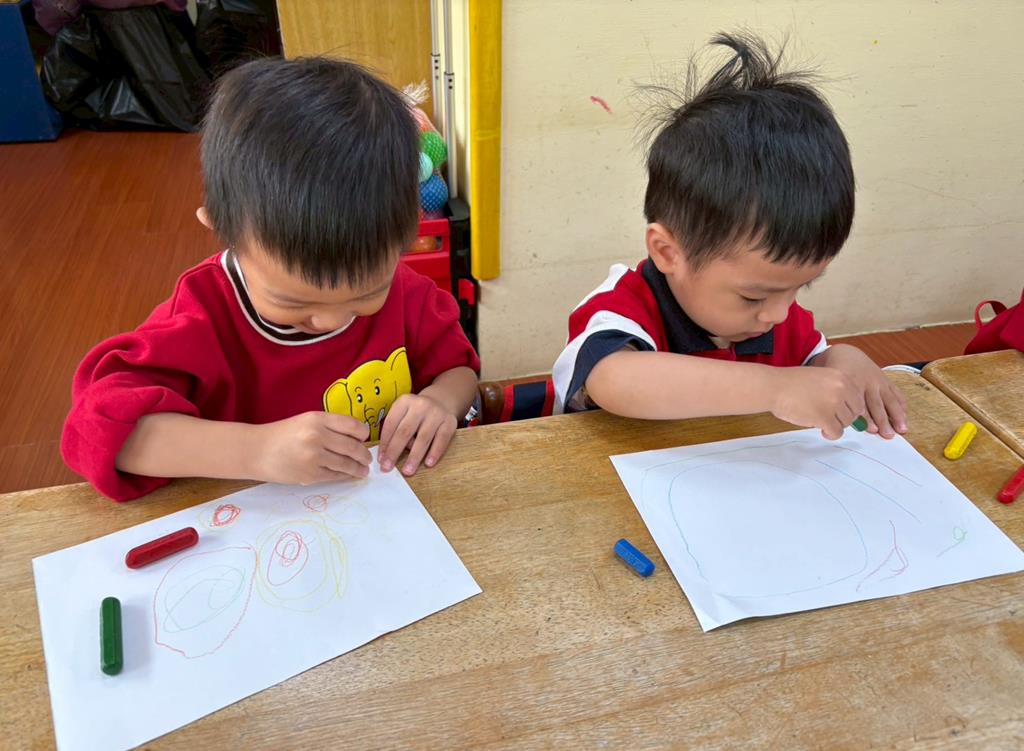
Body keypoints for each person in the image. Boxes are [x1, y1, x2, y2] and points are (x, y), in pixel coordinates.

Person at [62, 57, 479, 501]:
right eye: (294, 302)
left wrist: (440, 402)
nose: (331, 320)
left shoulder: (406, 291)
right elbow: (97, 429)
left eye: (365, 295)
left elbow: (458, 369)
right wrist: (255, 451)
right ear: (224, 232)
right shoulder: (204, 313)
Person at [552, 32, 907, 441]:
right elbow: (615, 380)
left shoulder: (771, 312)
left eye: (801, 287)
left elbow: (812, 368)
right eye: (753, 297)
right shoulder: (623, 308)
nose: (779, 314)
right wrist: (776, 388)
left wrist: (842, 360)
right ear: (668, 252)